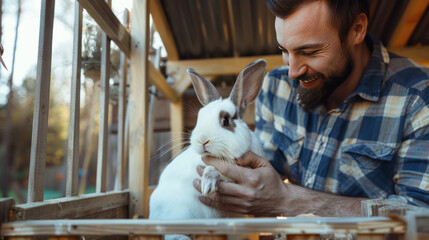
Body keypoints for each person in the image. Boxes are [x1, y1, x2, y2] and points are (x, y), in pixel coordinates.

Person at [192, 0, 429, 217]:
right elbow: (260, 172)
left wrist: (290, 201)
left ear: (357, 29)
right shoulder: (277, 87)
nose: (293, 71)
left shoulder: (417, 98)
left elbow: (421, 216)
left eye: (309, 52)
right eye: (284, 50)